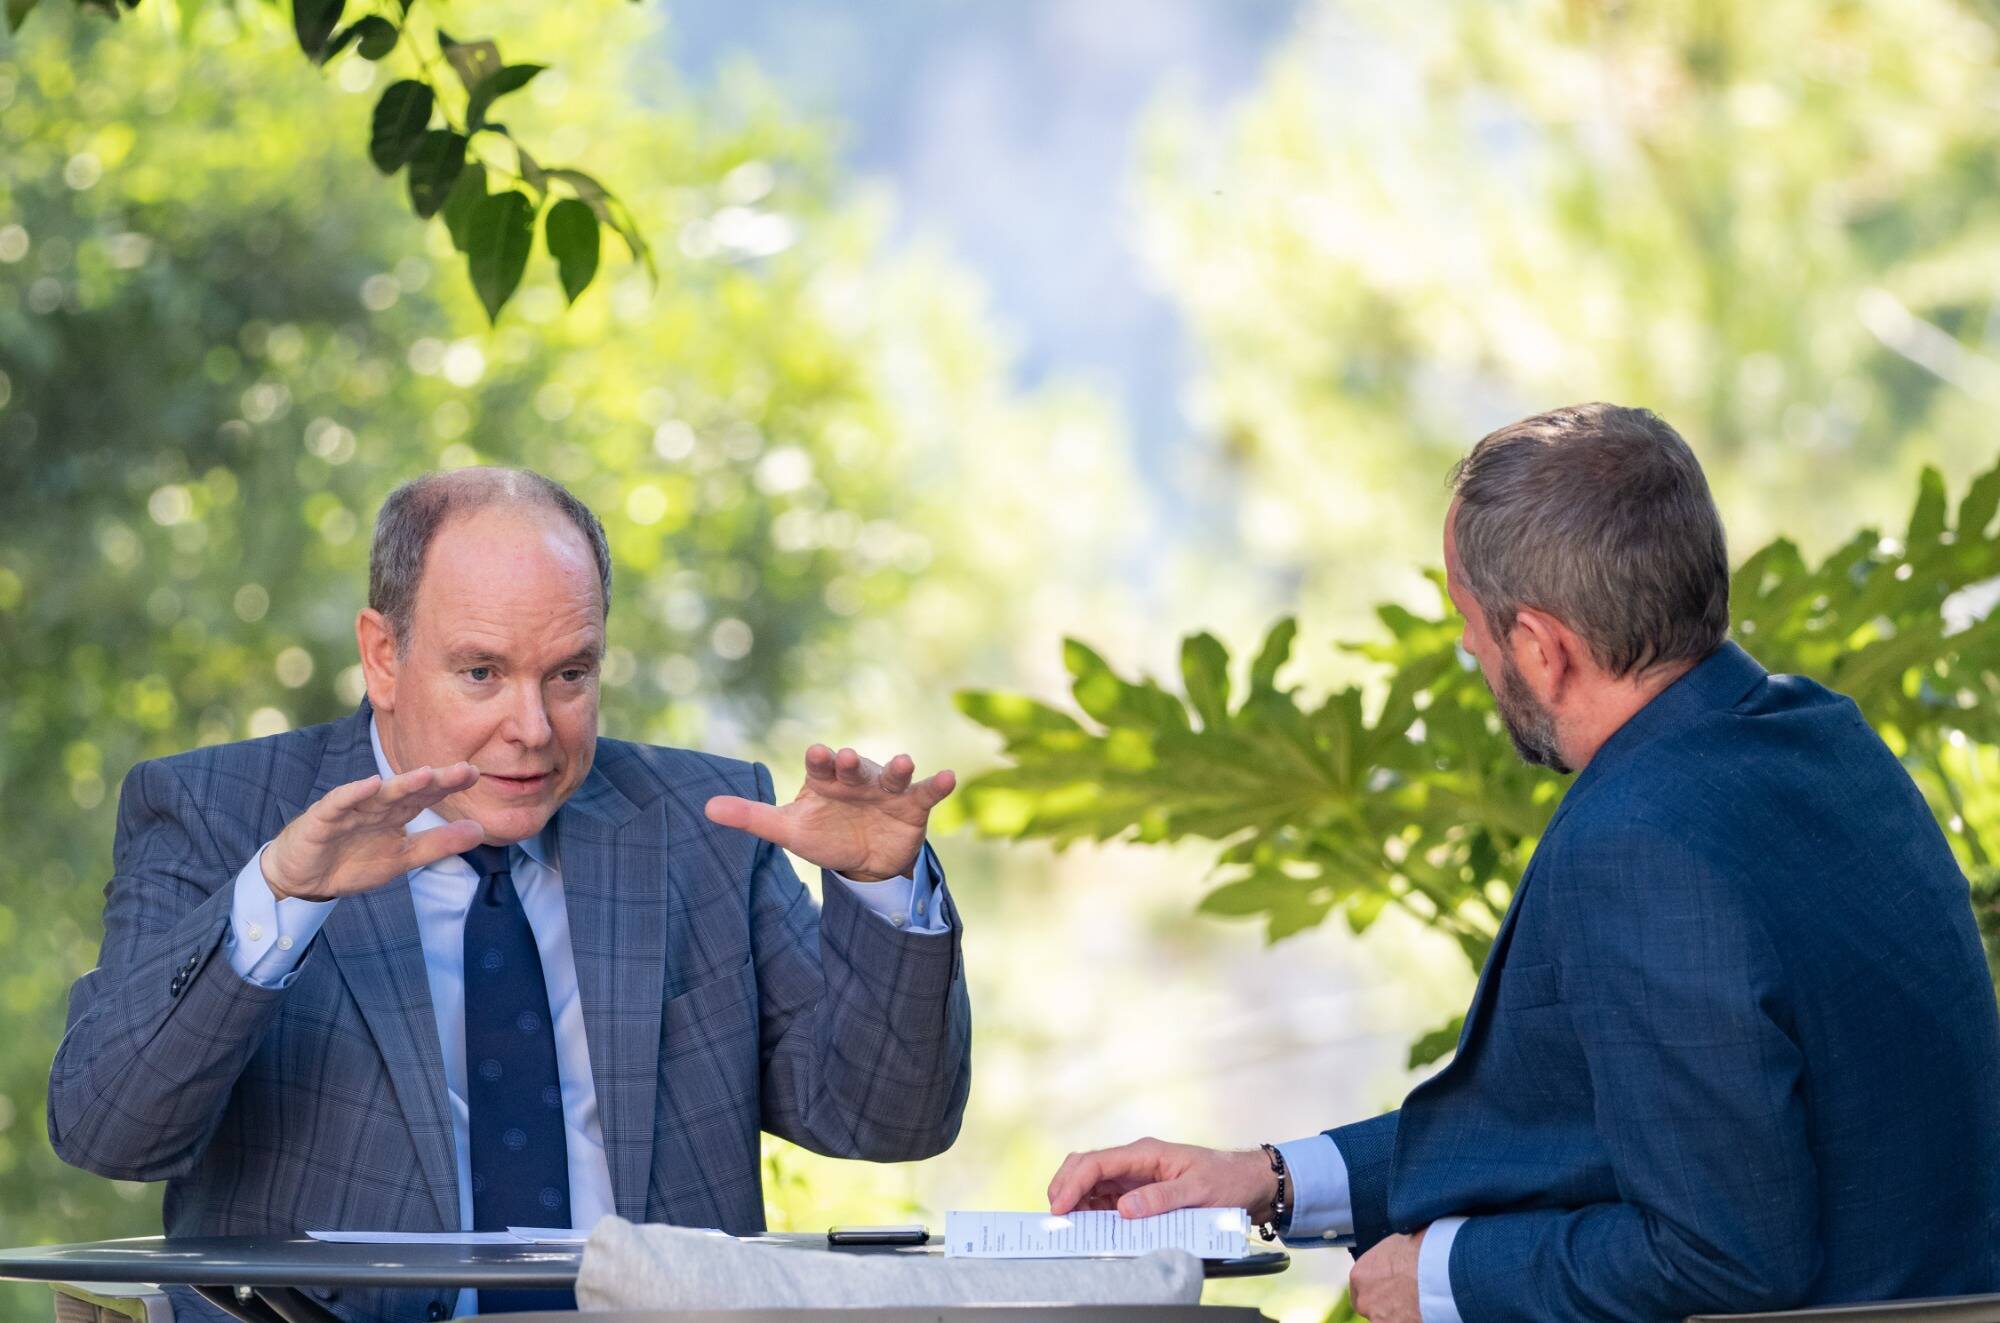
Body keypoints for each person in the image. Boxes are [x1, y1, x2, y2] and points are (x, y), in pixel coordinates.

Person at [1045, 404, 2000, 1323]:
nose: (1468, 642)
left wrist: (1445, 1275)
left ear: (1542, 649)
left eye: (1470, 616)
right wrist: (1270, 1179)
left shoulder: (1639, 842)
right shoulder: (1824, 741)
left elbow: (1727, 1250)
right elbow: (1594, 1123)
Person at [50, 468, 972, 1321]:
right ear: (382, 656)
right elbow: (107, 1132)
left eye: (569, 673)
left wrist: (880, 887)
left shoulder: (700, 825)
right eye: (483, 672)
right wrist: (280, 901)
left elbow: (884, 1118)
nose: (531, 729)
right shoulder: (219, 812)